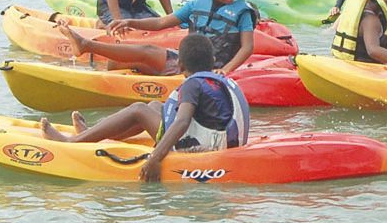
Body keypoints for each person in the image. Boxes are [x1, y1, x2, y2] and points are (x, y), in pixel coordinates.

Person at [39, 33, 249, 182]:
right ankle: (95, 135)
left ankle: (74, 141)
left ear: (180, 66)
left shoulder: (193, 84)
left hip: (206, 148)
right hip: (223, 141)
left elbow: (183, 121)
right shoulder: (219, 79)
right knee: (156, 105)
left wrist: (155, 158)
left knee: (139, 110)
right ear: (212, 60)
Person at [59, 0, 257, 76]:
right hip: (186, 62)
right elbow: (162, 22)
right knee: (116, 64)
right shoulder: (197, 4)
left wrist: (226, 71)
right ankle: (113, 84)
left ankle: (86, 45)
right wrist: (130, 21)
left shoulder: (242, 13)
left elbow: (247, 47)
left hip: (212, 68)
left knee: (147, 51)